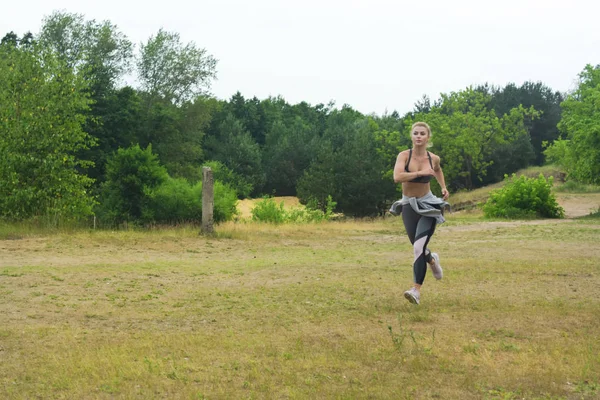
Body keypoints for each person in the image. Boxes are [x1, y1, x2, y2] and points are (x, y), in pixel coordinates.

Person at [389, 122, 449, 305]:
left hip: (428, 205)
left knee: (417, 248)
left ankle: (415, 290)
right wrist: (420, 173)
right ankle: (432, 259)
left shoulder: (434, 158)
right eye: (415, 133)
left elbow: (437, 170)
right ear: (412, 136)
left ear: (427, 137)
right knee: (419, 248)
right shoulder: (404, 156)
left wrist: (443, 187)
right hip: (408, 204)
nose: (419, 136)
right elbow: (397, 177)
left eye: (422, 133)